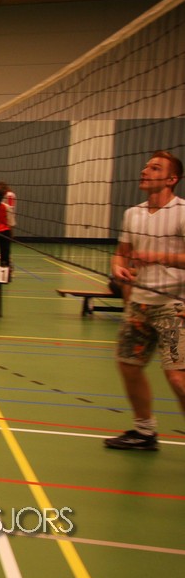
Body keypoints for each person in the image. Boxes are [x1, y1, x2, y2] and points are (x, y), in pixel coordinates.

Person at [106, 150, 185, 450]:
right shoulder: (133, 214)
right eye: (146, 167)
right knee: (129, 365)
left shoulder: (182, 212)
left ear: (171, 179)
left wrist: (158, 256)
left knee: (177, 378)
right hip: (138, 304)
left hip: (173, 305)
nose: (145, 171)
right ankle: (144, 431)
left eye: (154, 168)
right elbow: (121, 253)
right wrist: (118, 268)